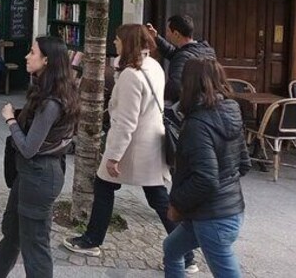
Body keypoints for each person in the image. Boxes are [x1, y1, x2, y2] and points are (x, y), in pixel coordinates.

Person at [63, 24, 198, 273]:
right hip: (150, 143)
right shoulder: (154, 66)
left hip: (133, 146)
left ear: (128, 43)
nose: (115, 43)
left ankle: (92, 240)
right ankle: (186, 253)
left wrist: (113, 156)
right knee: (157, 196)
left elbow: (126, 122)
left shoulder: (131, 75)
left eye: (117, 40)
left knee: (105, 186)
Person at [0, 36, 79, 278]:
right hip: (30, 174)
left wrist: (10, 119)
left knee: (35, 244)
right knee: (13, 228)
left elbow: (29, 147)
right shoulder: (49, 91)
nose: (27, 56)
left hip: (40, 176)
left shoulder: (52, 102)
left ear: (46, 60)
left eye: (32, 52)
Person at [163, 58, 250, 277]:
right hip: (227, 210)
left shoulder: (197, 124)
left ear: (189, 84)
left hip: (214, 217)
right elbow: (244, 164)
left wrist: (177, 204)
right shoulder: (231, 111)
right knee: (172, 248)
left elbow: (206, 179)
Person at [146, 15, 216, 104]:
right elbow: (173, 53)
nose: (166, 34)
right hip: (205, 101)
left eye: (168, 31)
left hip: (189, 106)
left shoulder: (183, 56)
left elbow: (175, 87)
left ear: (176, 34)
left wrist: (156, 97)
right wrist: (156, 37)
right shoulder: (205, 50)